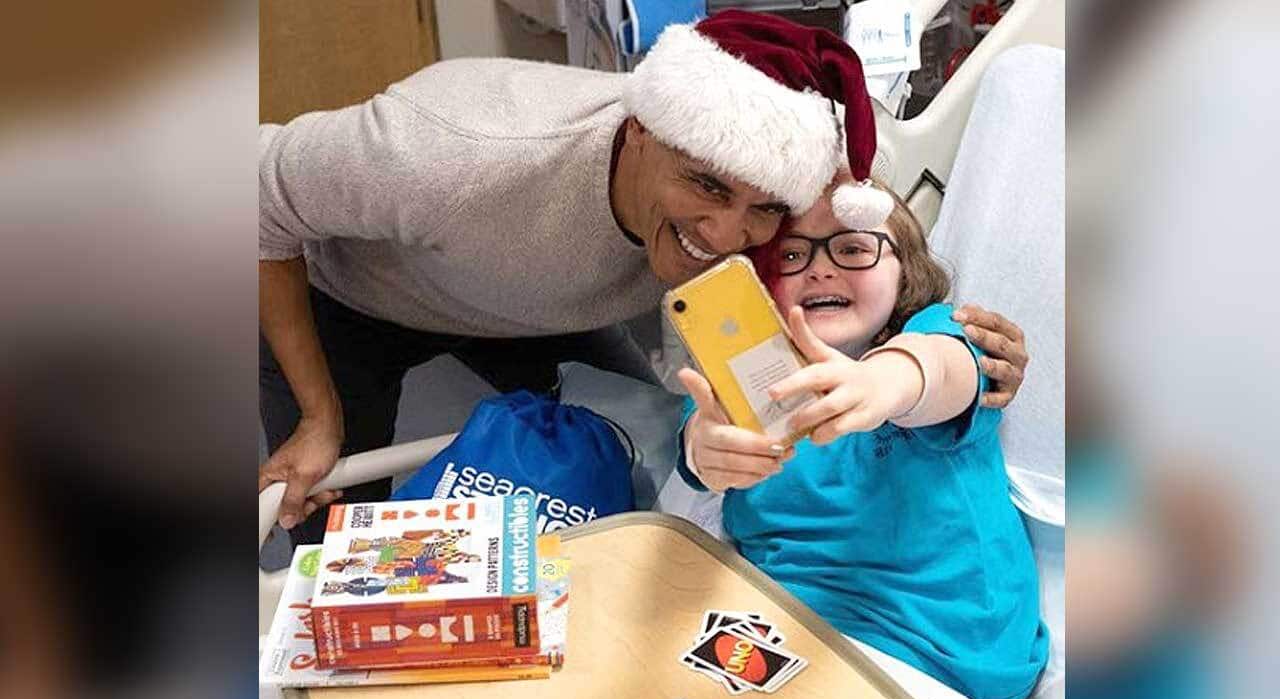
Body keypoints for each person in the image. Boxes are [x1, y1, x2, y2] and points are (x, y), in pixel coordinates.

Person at [257, 10, 1029, 545]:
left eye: (764, 211)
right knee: (332, 531)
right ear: (638, 133)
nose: (729, 237)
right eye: (706, 188)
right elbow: (253, 190)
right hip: (354, 300)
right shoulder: (444, 151)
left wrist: (961, 349)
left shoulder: (764, 221)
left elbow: (868, 262)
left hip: (552, 306)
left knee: (639, 445)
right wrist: (319, 417)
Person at [675, 179, 1049, 699]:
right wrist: (706, 452)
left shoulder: (934, 332)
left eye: (852, 248)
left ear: (906, 273)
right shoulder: (736, 379)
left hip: (944, 654)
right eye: (791, 254)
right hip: (789, 635)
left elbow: (944, 368)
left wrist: (882, 384)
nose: (820, 268)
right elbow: (699, 440)